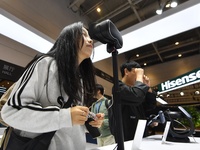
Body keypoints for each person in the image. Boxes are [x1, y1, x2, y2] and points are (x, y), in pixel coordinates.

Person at [1, 22, 104, 150]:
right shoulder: (46, 64)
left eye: (89, 36)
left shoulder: (80, 79)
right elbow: (11, 112)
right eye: (83, 34)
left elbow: (67, 123)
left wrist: (88, 120)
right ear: (68, 38)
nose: (90, 40)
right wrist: (66, 116)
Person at [113, 60, 157, 142]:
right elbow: (135, 96)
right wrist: (140, 79)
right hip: (126, 138)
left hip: (142, 136)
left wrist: (148, 88)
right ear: (126, 71)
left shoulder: (138, 91)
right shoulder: (118, 87)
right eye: (137, 73)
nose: (139, 77)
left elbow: (150, 106)